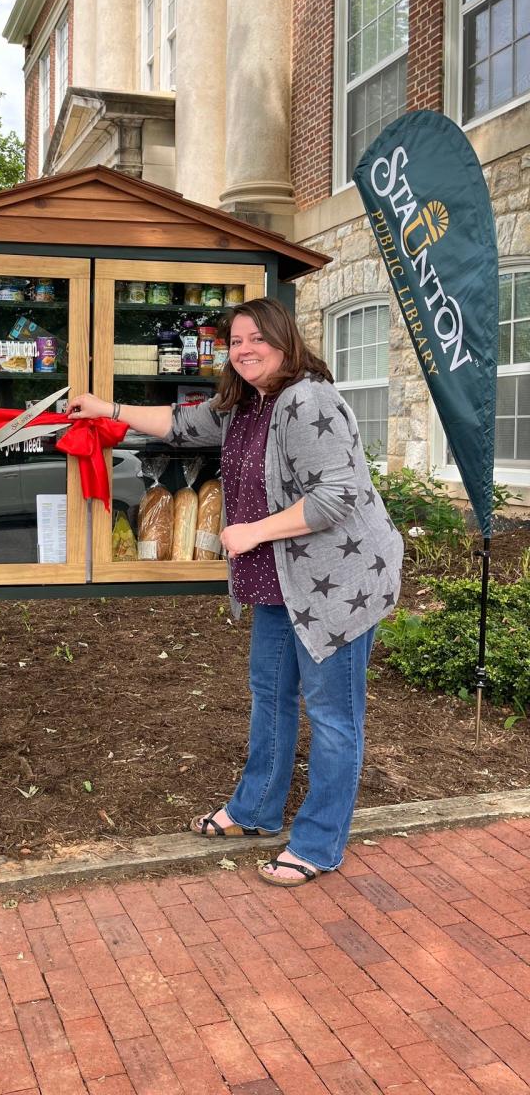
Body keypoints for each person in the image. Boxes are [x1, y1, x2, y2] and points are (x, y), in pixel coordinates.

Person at [68, 297, 402, 887]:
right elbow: (176, 424)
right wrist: (104, 408)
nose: (244, 349)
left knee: (332, 717)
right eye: (236, 340)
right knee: (269, 697)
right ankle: (254, 813)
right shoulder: (246, 405)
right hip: (277, 583)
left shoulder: (307, 399)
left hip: (335, 588)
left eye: (257, 338)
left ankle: (320, 843)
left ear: (285, 341)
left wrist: (252, 531)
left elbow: (338, 495)